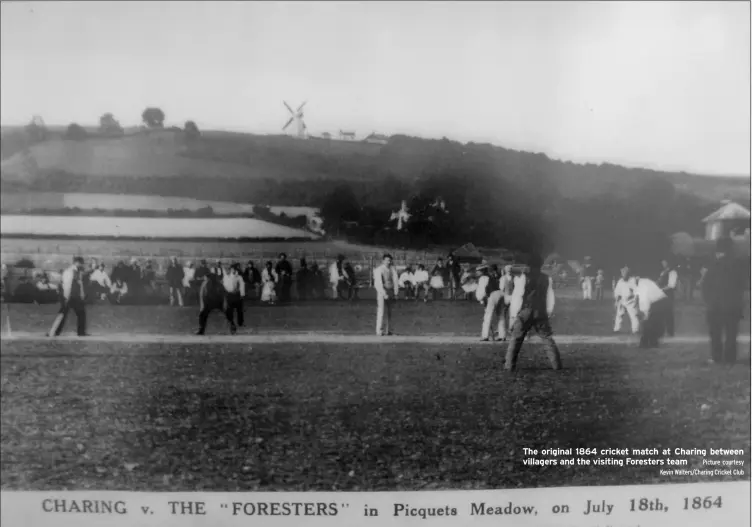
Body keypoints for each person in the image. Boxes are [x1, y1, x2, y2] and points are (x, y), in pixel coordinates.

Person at [505, 254, 562, 372]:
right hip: (541, 310)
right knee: (547, 338)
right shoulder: (547, 278)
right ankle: (557, 365)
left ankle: (509, 366)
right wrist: (548, 312)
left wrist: (514, 314)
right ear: (541, 265)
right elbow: (550, 297)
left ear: (528, 265)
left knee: (516, 339)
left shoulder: (522, 277)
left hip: (525, 310)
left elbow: (518, 296)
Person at [701, 237, 745, 365]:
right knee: (731, 333)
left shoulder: (713, 265)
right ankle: (730, 357)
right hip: (733, 305)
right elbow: (742, 285)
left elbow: (706, 285)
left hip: (715, 305)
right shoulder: (738, 264)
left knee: (716, 333)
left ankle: (716, 357)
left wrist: (708, 300)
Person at [48, 256, 89, 337]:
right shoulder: (70, 271)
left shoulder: (77, 271)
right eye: (80, 263)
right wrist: (66, 297)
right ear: (77, 262)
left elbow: (79, 284)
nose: (81, 265)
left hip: (75, 296)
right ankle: (54, 332)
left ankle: (80, 332)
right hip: (70, 296)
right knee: (63, 313)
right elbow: (67, 285)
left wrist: (81, 295)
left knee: (80, 313)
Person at [633, 274, 668, 349]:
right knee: (654, 324)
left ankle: (644, 343)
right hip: (662, 301)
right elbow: (638, 297)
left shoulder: (641, 285)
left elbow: (644, 299)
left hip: (656, 303)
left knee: (648, 323)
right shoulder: (646, 281)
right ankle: (653, 342)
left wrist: (645, 313)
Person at [374, 253, 399, 336]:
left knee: (390, 312)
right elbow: (378, 283)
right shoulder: (379, 269)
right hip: (382, 292)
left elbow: (395, 281)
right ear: (383, 261)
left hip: (390, 290)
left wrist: (395, 293)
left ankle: (389, 330)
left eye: (390, 260)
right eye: (387, 260)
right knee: (381, 310)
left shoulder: (392, 269)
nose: (388, 262)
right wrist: (384, 294)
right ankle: (379, 331)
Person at [613, 265, 639, 334]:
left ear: (628, 273)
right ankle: (617, 329)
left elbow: (636, 291)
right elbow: (617, 293)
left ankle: (635, 330)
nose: (623, 274)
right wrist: (616, 301)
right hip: (622, 300)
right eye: (622, 273)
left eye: (625, 273)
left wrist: (636, 300)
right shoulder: (620, 281)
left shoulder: (632, 280)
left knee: (633, 315)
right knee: (619, 315)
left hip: (631, 301)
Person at [657, 258, 678, 337]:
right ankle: (661, 331)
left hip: (668, 295)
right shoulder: (663, 272)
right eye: (662, 263)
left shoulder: (673, 272)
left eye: (665, 262)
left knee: (668, 314)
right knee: (660, 313)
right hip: (661, 295)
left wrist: (661, 289)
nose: (663, 264)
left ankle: (670, 332)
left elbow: (671, 285)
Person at [223, 263, 246, 333]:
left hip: (237, 296)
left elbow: (242, 285)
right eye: (225, 270)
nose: (227, 271)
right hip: (229, 295)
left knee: (239, 310)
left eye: (228, 270)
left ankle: (240, 322)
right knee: (229, 310)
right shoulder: (225, 277)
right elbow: (224, 286)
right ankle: (232, 324)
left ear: (231, 270)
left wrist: (242, 294)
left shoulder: (237, 276)